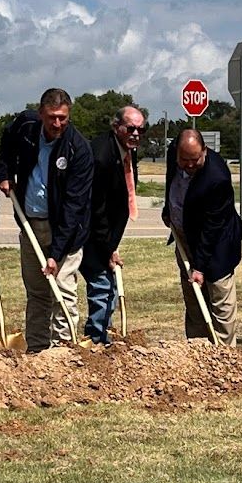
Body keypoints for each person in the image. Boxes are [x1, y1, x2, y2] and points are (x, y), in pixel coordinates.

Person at [0, 88, 93, 352]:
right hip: (30, 225)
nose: (57, 123)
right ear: (41, 114)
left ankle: (63, 353)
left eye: (62, 117)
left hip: (66, 230)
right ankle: (37, 351)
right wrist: (4, 172)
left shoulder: (78, 149)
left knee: (62, 290)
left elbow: (74, 207)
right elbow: (6, 143)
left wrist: (56, 254)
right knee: (37, 291)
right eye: (52, 117)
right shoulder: (26, 126)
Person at [162, 129, 242, 344]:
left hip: (217, 243)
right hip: (185, 236)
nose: (189, 164)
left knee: (220, 298)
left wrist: (199, 267)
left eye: (195, 159)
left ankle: (224, 354)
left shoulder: (217, 178)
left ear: (205, 151)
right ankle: (197, 349)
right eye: (184, 159)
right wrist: (168, 209)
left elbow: (212, 227)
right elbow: (171, 180)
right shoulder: (175, 153)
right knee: (194, 298)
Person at [80, 105, 145, 344]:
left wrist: (112, 246)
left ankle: (101, 333)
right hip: (88, 234)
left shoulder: (126, 150)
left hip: (105, 235)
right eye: (130, 128)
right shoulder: (102, 157)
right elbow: (97, 210)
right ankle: (96, 340)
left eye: (140, 129)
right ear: (116, 126)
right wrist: (108, 249)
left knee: (109, 287)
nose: (136, 134)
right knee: (103, 286)